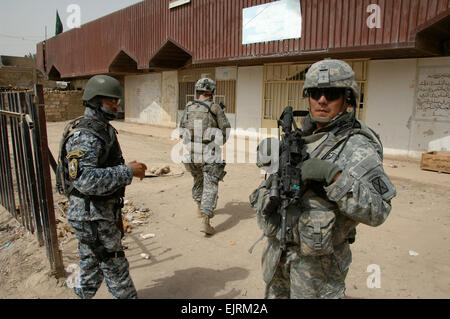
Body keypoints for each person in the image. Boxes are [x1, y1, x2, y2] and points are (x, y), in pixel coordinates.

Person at [250, 59, 397, 299]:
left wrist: (333, 175)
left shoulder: (356, 145)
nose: (322, 100)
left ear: (348, 99)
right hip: (279, 257)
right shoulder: (303, 135)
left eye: (331, 93)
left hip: (318, 269)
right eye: (316, 93)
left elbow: (379, 209)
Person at [56, 75, 147, 299]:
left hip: (95, 213)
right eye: (110, 101)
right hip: (92, 215)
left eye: (116, 101)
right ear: (95, 101)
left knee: (91, 262)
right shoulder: (86, 134)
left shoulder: (99, 128)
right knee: (114, 265)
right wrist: (127, 171)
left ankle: (81, 294)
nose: (116, 105)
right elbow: (85, 179)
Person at [179, 78, 231, 236]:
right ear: (212, 92)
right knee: (210, 185)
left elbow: (181, 130)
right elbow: (226, 129)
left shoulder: (188, 106)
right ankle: (206, 222)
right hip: (209, 153)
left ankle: (198, 208)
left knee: (198, 180)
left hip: (191, 153)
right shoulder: (215, 107)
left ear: (197, 91)